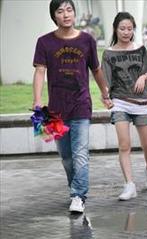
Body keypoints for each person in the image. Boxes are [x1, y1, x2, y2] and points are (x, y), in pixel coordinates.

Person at [32, 0, 112, 213]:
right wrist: (37, 100)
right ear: (54, 16)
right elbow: (40, 71)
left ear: (75, 14)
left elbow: (96, 70)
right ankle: (74, 186)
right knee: (66, 156)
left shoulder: (87, 40)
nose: (66, 14)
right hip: (56, 109)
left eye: (69, 10)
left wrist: (105, 93)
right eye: (60, 11)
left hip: (81, 105)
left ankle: (78, 195)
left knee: (80, 153)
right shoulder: (45, 42)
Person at [102, 12, 147, 201]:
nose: (126, 32)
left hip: (142, 102)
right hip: (120, 102)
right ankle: (129, 185)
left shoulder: (140, 49)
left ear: (133, 29)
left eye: (129, 28)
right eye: (122, 28)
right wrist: (106, 96)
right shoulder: (109, 53)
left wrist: (143, 76)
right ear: (115, 30)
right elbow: (106, 81)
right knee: (124, 145)